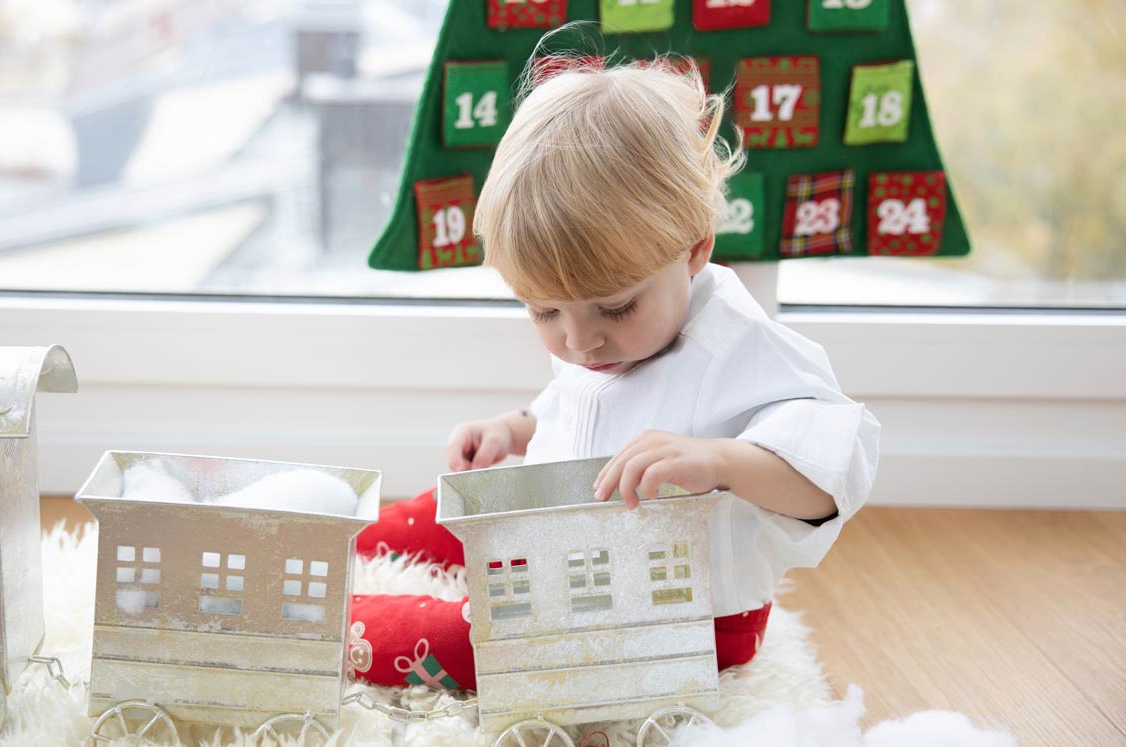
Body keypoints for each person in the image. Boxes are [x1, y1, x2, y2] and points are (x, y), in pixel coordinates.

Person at [347, 56, 880, 693]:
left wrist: (722, 461)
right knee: (449, 511)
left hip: (682, 614)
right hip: (569, 548)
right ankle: (345, 537)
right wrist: (514, 429)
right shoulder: (600, 340)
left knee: (480, 641)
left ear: (694, 248)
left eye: (616, 307)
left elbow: (834, 472)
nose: (579, 341)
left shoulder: (740, 350)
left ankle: (344, 628)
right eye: (544, 311)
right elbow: (575, 401)